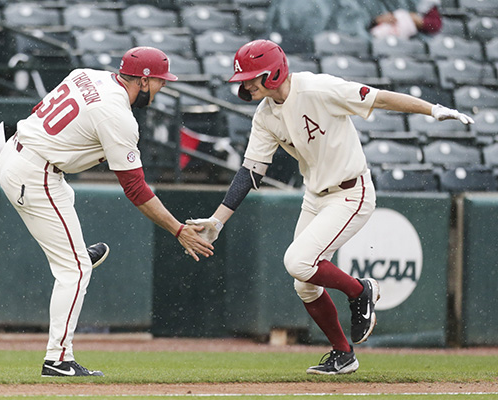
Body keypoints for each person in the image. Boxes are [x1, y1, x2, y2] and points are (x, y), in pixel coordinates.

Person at [187, 40, 473, 375]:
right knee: (304, 282)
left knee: (297, 261)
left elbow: (378, 97)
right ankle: (343, 353)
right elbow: (250, 171)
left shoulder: (319, 88)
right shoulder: (265, 116)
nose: (247, 83)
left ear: (275, 71)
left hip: (351, 192)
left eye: (253, 76)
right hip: (316, 195)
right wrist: (218, 221)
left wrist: (431, 109)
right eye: (245, 78)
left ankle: (359, 289)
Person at [0, 46, 214, 377]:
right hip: (35, 171)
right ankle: (58, 359)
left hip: (17, 151)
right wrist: (178, 229)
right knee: (76, 270)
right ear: (142, 80)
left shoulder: (87, 74)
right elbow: (136, 190)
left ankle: (76, 255)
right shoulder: (117, 115)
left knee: (69, 227)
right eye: (158, 81)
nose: (161, 88)